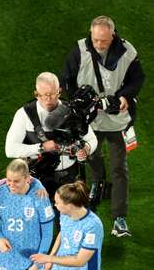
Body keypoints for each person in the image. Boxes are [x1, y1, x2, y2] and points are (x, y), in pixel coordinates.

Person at [61, 16, 145, 237]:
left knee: (119, 168)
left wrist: (126, 96)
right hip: (90, 121)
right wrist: (79, 101)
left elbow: (138, 79)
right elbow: (66, 79)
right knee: (90, 158)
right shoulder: (79, 49)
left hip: (118, 121)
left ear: (113, 35)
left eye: (104, 41)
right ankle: (97, 185)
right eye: (96, 39)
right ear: (91, 33)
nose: (99, 45)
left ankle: (119, 216)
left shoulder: (128, 52)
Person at [5, 72, 97, 210]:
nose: (48, 99)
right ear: (36, 94)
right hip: (38, 179)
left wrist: (86, 149)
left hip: (69, 176)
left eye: (52, 94)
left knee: (69, 220)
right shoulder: (24, 114)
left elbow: (91, 139)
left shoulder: (72, 111)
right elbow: (10, 149)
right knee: (37, 220)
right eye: (43, 95)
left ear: (59, 91)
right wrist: (41, 147)